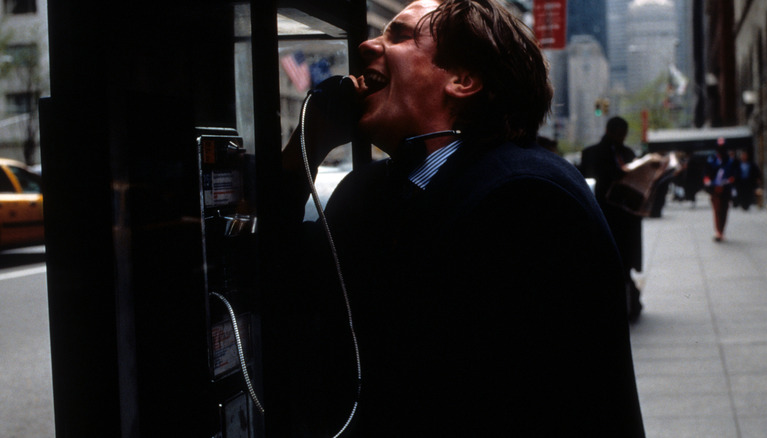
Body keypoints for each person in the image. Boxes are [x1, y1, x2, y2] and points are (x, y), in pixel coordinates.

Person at [272, 1, 645, 436]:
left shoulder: (526, 196)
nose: (367, 44)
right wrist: (306, 149)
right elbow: (281, 285)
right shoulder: (367, 193)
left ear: (463, 79)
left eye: (399, 36)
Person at [580, 116, 644, 322]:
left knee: (624, 262)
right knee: (613, 261)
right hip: (609, 215)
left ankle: (629, 303)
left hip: (626, 216)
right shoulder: (594, 153)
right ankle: (621, 304)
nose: (622, 138)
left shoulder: (627, 153)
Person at [704, 144, 738, 241]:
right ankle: (718, 231)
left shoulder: (730, 162)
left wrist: (729, 181)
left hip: (726, 189)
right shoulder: (712, 161)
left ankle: (721, 230)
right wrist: (708, 180)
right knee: (717, 210)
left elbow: (734, 175)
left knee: (724, 210)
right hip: (715, 189)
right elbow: (706, 173)